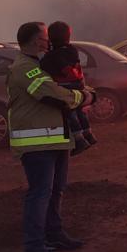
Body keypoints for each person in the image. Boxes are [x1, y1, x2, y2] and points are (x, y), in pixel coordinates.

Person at [8, 21, 96, 252]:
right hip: (37, 144)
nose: (49, 42)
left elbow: (65, 82)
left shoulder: (42, 64)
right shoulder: (24, 68)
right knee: (40, 193)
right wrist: (84, 97)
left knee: (56, 190)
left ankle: (54, 235)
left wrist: (84, 91)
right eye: (46, 38)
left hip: (57, 139)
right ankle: (33, 247)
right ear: (36, 41)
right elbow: (51, 93)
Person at [39, 21, 97, 155]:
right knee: (80, 111)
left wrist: (45, 55)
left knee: (69, 112)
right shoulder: (72, 50)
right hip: (78, 84)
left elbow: (44, 66)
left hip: (65, 87)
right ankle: (88, 134)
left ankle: (79, 140)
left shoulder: (53, 55)